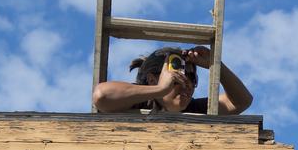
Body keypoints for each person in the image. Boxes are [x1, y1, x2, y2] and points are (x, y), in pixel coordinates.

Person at [92, 45, 253, 116]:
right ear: (152, 79)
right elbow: (101, 96)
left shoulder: (193, 109)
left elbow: (241, 102)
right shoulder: (136, 102)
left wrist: (216, 65)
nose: (187, 84)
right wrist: (160, 89)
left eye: (192, 78)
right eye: (178, 77)